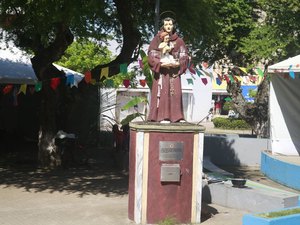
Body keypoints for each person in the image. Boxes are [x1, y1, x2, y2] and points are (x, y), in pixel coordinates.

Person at [147, 17, 189, 123]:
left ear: (173, 25)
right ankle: (162, 117)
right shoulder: (157, 39)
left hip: (174, 72)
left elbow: (184, 55)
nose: (168, 26)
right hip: (162, 72)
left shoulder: (179, 41)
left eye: (170, 24)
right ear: (163, 26)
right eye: (166, 24)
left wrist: (178, 62)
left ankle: (178, 117)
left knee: (176, 94)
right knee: (163, 93)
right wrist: (160, 63)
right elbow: (151, 55)